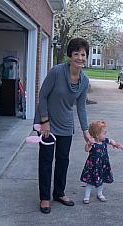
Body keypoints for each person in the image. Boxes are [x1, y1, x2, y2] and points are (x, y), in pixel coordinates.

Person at [34, 37, 93, 214]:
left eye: (83, 54)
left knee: (63, 161)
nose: (80, 58)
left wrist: (85, 131)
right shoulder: (57, 72)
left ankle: (59, 192)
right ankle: (45, 197)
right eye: (76, 54)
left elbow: (81, 107)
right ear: (70, 55)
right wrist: (44, 121)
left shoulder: (84, 81)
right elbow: (43, 96)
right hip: (48, 125)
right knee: (46, 162)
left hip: (67, 125)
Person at [80, 120, 118, 204]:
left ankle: (100, 194)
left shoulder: (104, 141)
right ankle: (86, 196)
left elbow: (111, 140)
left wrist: (114, 143)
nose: (105, 135)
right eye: (104, 133)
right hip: (92, 166)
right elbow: (86, 149)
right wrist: (89, 144)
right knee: (89, 181)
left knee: (101, 179)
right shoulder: (92, 142)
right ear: (97, 134)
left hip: (102, 165)